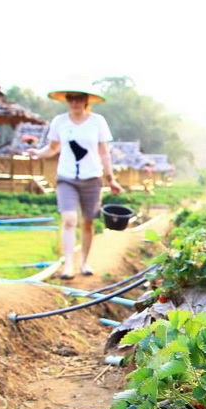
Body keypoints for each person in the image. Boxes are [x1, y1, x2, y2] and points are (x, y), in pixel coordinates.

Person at [26, 85, 124, 279]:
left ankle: (85, 262)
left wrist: (111, 179)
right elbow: (53, 148)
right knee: (69, 220)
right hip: (67, 177)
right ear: (67, 101)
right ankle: (68, 265)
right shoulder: (60, 122)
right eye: (71, 98)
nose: (75, 102)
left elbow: (104, 152)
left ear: (86, 101)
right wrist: (38, 153)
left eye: (79, 98)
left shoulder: (97, 122)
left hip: (92, 178)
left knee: (88, 222)